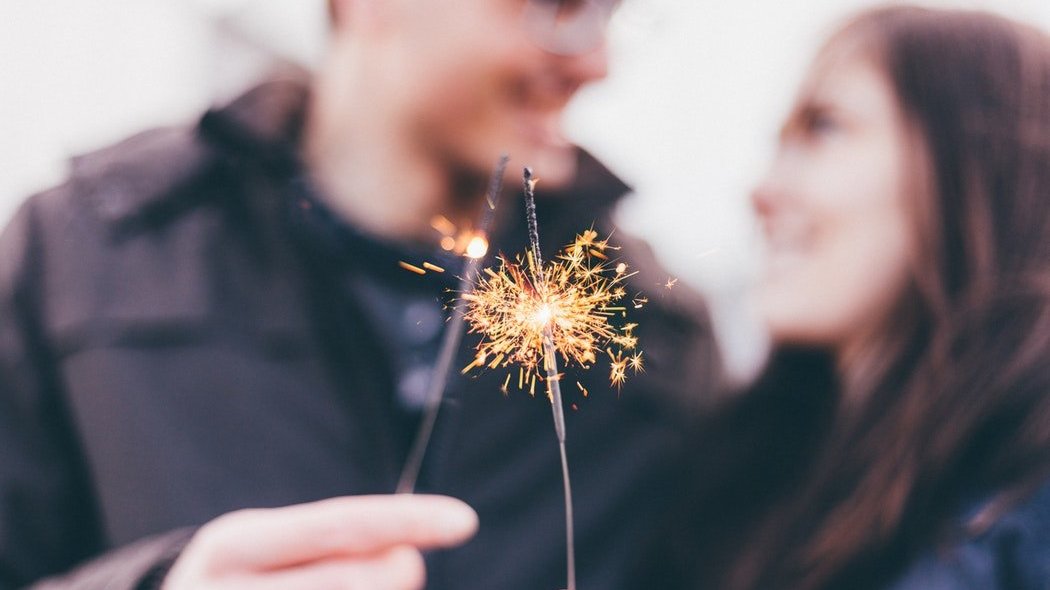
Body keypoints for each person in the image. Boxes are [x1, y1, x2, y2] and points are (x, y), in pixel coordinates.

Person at [0, 0, 721, 588]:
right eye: (555, 7)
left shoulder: (657, 337)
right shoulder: (80, 254)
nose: (597, 63)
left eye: (610, 13)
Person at [637, 6, 1050, 590]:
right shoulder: (742, 477)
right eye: (781, 144)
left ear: (984, 164)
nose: (763, 191)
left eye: (824, 128)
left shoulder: (1027, 507)